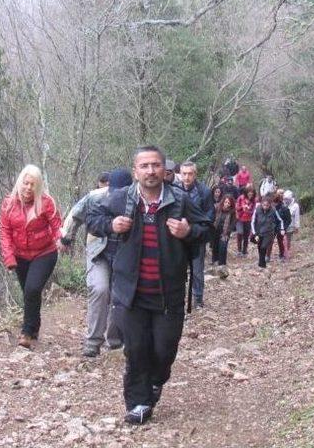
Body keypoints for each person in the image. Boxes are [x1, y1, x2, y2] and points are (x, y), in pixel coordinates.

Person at [86, 145, 211, 425]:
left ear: (164, 169)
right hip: (130, 292)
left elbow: (207, 228)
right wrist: (111, 225)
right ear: (135, 171)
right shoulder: (120, 199)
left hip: (169, 293)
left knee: (164, 350)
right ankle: (138, 403)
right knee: (136, 349)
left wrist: (189, 230)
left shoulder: (179, 200)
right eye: (145, 166)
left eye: (155, 165)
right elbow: (92, 219)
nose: (151, 171)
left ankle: (155, 382)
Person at [60, 169, 133, 357]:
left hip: (124, 255)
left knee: (119, 295)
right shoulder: (95, 198)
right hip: (98, 251)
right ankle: (93, 341)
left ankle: (116, 340)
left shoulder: (137, 200)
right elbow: (76, 215)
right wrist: (67, 239)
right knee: (100, 289)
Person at [0, 164, 62, 348]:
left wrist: (61, 239)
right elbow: (4, 231)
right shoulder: (9, 203)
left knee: (32, 289)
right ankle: (34, 326)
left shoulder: (46, 202)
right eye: (25, 183)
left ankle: (26, 332)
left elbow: (57, 225)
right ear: (20, 183)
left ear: (38, 186)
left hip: (45, 252)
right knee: (29, 292)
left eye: (32, 184)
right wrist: (9, 257)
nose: (28, 188)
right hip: (20, 256)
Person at [174, 161, 215, 308]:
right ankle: (178, 298)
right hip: (178, 237)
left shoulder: (204, 191)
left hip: (197, 236)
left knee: (197, 270)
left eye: (190, 174)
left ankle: (198, 298)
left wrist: (196, 230)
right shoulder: (174, 189)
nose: (186, 177)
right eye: (184, 173)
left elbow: (210, 216)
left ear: (195, 174)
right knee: (178, 269)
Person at [251, 195, 283, 269]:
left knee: (263, 247)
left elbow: (280, 220)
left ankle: (262, 265)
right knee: (259, 247)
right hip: (258, 232)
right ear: (261, 204)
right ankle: (261, 261)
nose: (265, 207)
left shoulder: (273, 210)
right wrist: (254, 232)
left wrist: (281, 229)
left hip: (269, 233)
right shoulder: (257, 209)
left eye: (267, 205)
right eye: (264, 205)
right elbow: (253, 221)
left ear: (270, 205)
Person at [211, 195, 236, 274]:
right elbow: (213, 218)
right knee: (215, 246)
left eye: (229, 203)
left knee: (223, 247)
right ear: (223, 202)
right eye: (226, 202)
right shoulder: (217, 208)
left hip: (225, 232)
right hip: (215, 230)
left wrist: (228, 232)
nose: (227, 204)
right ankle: (215, 261)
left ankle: (222, 264)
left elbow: (232, 224)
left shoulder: (232, 212)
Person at [267, 188, 292, 261]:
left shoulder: (284, 208)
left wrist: (284, 228)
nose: (274, 204)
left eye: (275, 202)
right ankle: (267, 256)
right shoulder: (270, 208)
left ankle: (282, 255)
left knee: (280, 241)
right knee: (270, 241)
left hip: (281, 227)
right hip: (272, 227)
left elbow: (288, 220)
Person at [235, 186, 256, 256]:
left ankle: (244, 250)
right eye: (249, 193)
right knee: (240, 233)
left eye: (252, 194)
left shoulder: (254, 201)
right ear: (246, 192)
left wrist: (249, 210)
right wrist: (242, 208)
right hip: (240, 218)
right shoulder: (241, 198)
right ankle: (239, 250)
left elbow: (253, 211)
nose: (250, 195)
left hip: (248, 219)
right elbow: (237, 208)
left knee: (246, 235)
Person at [283, 190, 300, 259]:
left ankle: (287, 251)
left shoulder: (295, 206)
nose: (286, 200)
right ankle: (283, 251)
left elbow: (297, 217)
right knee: (283, 239)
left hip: (290, 226)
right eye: (285, 199)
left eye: (287, 199)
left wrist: (297, 227)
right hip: (282, 226)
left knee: (288, 240)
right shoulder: (282, 204)